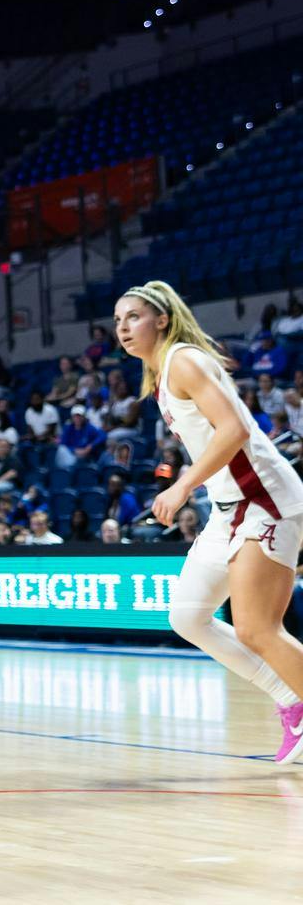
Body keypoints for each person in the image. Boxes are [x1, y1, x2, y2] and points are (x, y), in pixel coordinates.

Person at [115, 281, 303, 763]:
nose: (123, 328)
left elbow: (236, 430)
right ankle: (292, 704)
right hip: (229, 508)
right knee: (187, 615)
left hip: (264, 498)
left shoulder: (183, 360)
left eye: (133, 317)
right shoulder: (159, 374)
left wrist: (182, 486)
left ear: (160, 318)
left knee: (257, 628)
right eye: (117, 321)